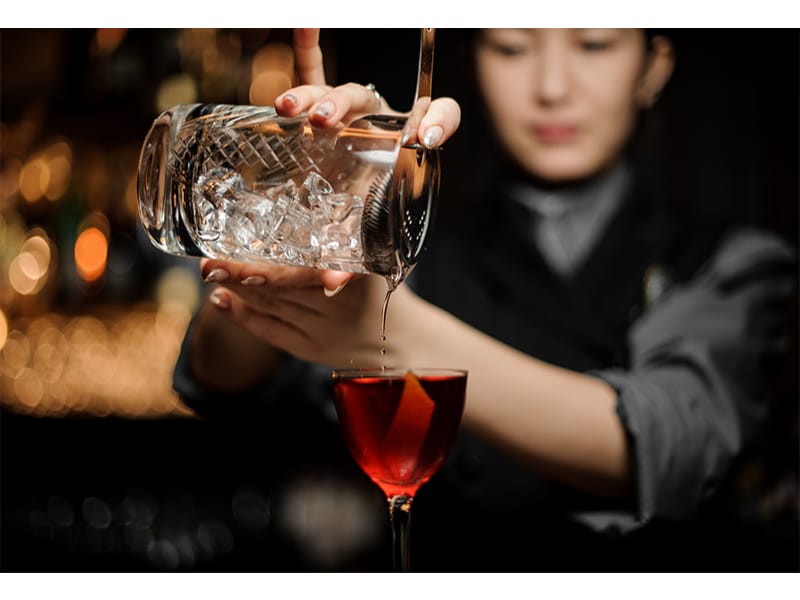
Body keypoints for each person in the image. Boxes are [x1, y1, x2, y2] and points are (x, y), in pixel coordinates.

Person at [172, 29, 796, 571]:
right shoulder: (412, 248)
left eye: (595, 44)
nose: (553, 87)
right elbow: (223, 380)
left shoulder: (734, 264)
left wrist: (391, 334)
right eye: (514, 47)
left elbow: (673, 445)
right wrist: (298, 215)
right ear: (476, 63)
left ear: (653, 66)